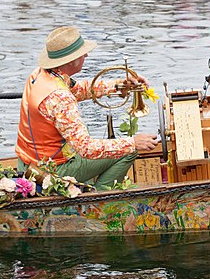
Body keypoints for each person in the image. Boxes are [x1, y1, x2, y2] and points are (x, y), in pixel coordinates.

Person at [16, 26, 159, 189]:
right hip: (52, 171)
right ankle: (99, 199)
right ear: (71, 60)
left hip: (27, 163)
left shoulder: (39, 75)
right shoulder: (60, 97)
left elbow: (79, 90)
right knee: (129, 151)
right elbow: (86, 148)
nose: (86, 55)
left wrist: (118, 86)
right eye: (82, 53)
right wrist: (133, 142)